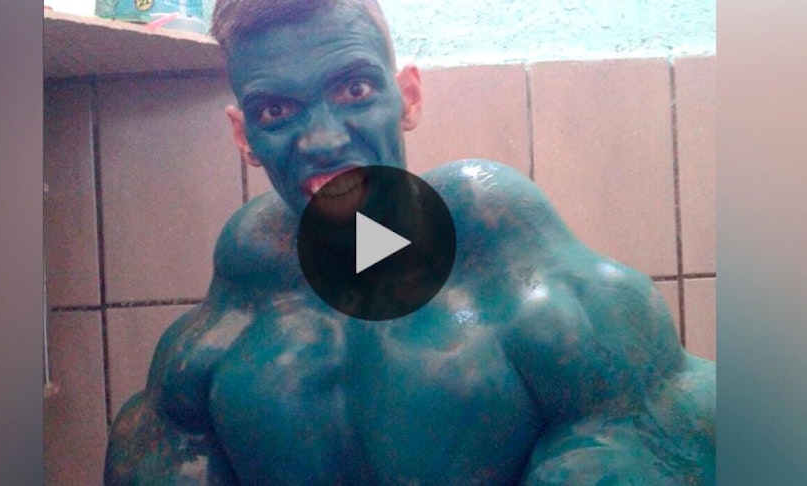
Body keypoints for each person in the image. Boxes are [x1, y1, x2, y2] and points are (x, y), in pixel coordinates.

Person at [104, 0, 716, 484]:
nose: (322, 141)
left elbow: (668, 432)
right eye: (275, 111)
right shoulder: (243, 296)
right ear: (244, 137)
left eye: (353, 90)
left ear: (409, 98)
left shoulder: (501, 252)